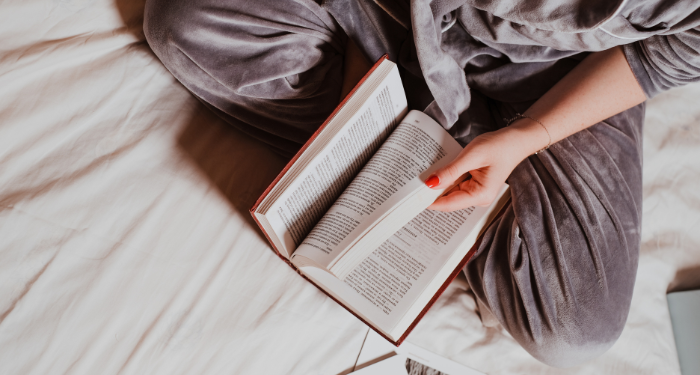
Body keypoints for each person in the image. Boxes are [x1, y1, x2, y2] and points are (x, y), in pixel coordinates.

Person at [142, 0, 700, 367]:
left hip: (566, 72)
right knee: (185, 20)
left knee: (577, 328)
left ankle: (408, 138)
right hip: (391, 15)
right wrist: (366, 74)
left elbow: (661, 59)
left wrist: (532, 134)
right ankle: (391, 121)